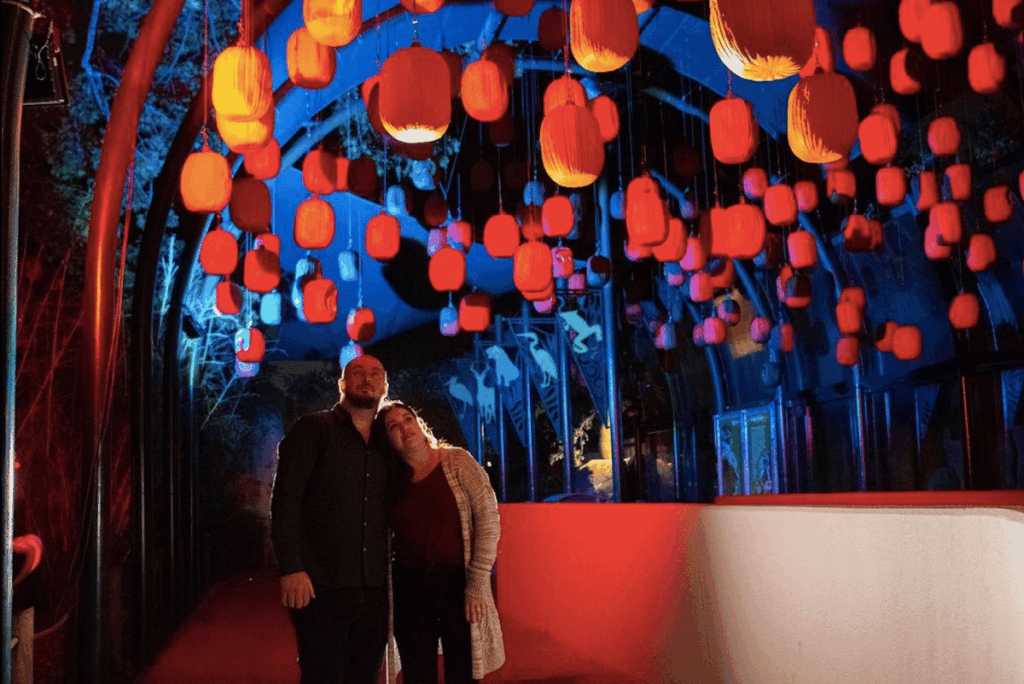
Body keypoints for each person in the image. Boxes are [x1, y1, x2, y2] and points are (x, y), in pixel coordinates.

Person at [271, 354, 391, 684]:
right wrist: (291, 566)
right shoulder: (313, 429)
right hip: (321, 584)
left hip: (375, 587)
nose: (367, 379)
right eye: (358, 372)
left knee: (365, 676)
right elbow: (285, 500)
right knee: (321, 675)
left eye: (375, 374)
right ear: (342, 384)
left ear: (384, 386)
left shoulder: (388, 440)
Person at [371, 401, 505, 684]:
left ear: (418, 422)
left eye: (407, 419)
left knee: (464, 669)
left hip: (458, 582)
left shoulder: (456, 461)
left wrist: (477, 584)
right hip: (409, 584)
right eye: (393, 426)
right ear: (386, 440)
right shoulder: (389, 479)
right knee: (418, 671)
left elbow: (488, 519)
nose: (404, 428)